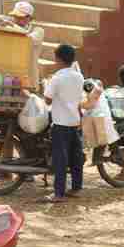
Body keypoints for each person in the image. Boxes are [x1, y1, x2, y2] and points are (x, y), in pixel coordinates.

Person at [43, 43, 85, 203]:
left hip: (60, 123)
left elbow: (47, 100)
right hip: (75, 121)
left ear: (58, 59)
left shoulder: (57, 78)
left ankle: (58, 193)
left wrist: (46, 87)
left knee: (60, 159)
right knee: (76, 157)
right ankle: (76, 188)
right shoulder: (79, 76)